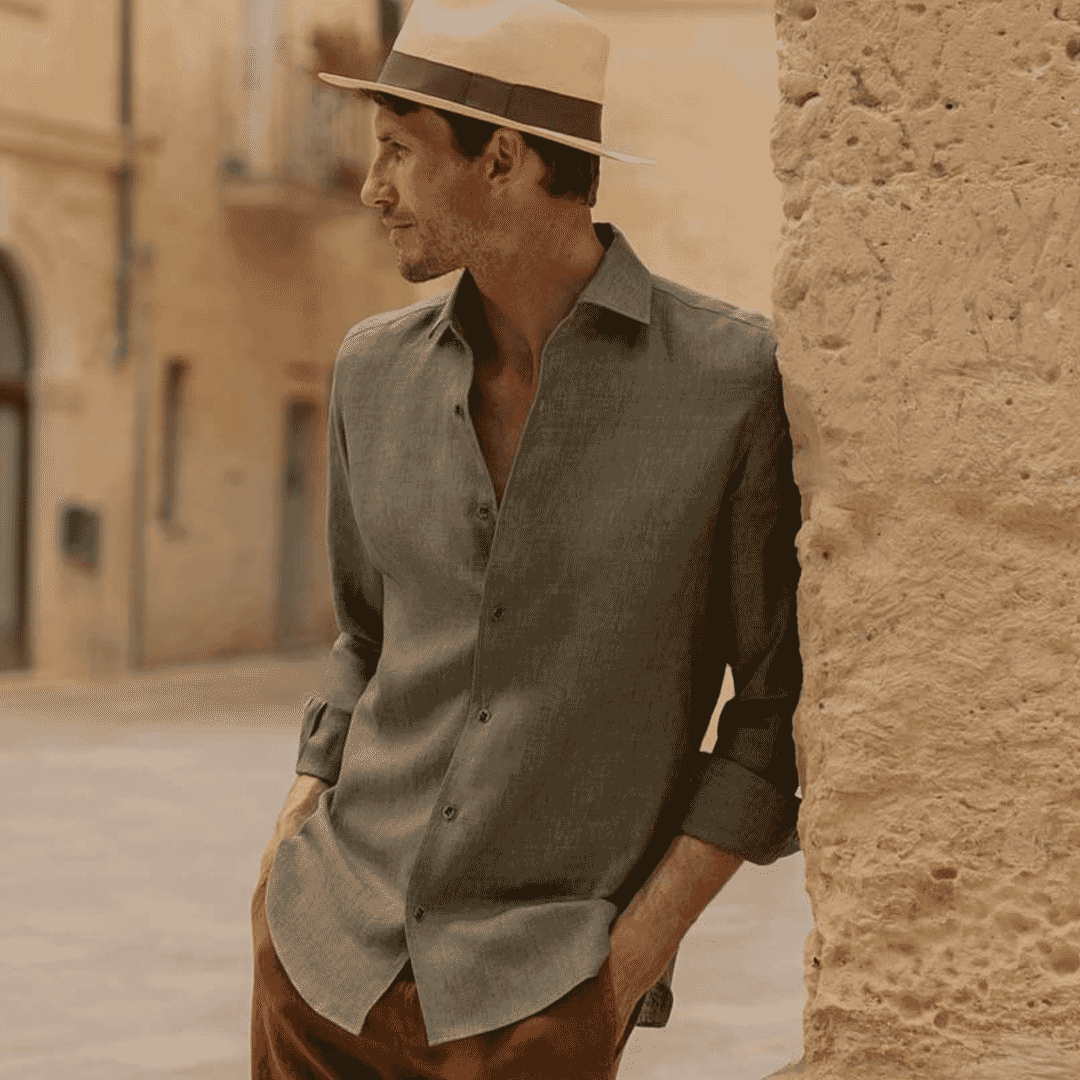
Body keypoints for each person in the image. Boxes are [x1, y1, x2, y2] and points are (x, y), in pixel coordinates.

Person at [250, 1, 804, 1077]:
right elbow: (365, 640)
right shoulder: (371, 372)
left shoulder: (729, 384)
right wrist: (289, 844)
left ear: (501, 159)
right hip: (322, 966)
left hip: (541, 997)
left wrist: (629, 964)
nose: (372, 188)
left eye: (399, 151)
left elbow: (773, 715)